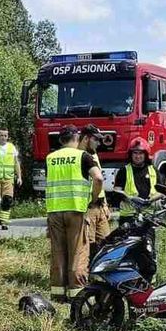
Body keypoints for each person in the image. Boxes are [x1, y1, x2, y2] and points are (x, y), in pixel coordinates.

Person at [46, 125, 104, 302]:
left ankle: (58, 294)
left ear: (60, 139)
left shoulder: (50, 158)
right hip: (76, 211)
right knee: (77, 253)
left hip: (55, 210)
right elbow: (98, 178)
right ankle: (77, 294)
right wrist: (93, 197)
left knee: (58, 252)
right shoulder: (83, 156)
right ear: (77, 138)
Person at [78, 124, 110, 258]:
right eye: (95, 139)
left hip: (100, 205)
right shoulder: (78, 156)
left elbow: (99, 182)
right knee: (88, 245)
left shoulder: (93, 155)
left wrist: (105, 204)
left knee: (106, 242)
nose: (98, 143)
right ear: (86, 138)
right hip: (88, 206)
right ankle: (87, 275)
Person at [112, 137, 157, 226]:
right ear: (131, 155)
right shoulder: (124, 171)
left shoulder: (153, 170)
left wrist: (150, 200)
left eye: (140, 153)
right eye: (135, 153)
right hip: (128, 217)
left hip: (148, 216)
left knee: (148, 240)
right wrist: (131, 199)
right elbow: (116, 191)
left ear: (145, 154)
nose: (137, 156)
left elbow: (162, 191)